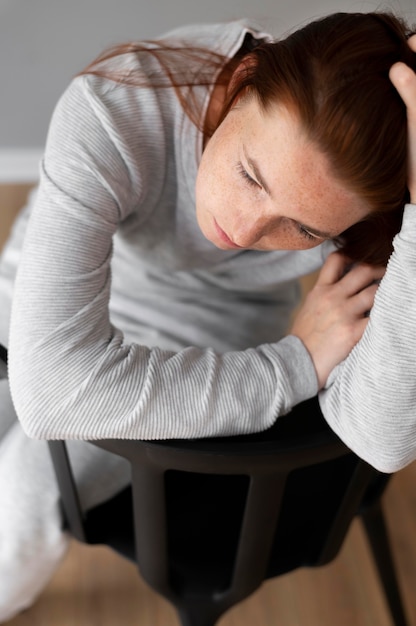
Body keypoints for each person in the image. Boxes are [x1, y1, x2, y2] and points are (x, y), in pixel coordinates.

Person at [0, 10, 415, 622]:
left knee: (30, 482)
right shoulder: (113, 106)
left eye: (302, 228)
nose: (243, 233)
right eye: (251, 175)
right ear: (244, 80)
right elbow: (52, 384)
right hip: (81, 266)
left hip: (216, 318)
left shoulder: (362, 206)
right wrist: (296, 363)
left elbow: (381, 439)